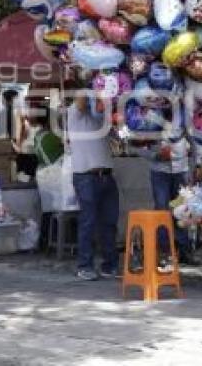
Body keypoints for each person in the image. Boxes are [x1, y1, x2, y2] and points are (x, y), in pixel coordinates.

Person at [67, 91, 117, 280]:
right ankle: (84, 265)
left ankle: (109, 264)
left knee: (109, 223)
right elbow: (80, 98)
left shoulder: (102, 116)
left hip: (106, 175)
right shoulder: (75, 112)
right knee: (88, 222)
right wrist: (95, 84)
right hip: (86, 176)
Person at [132, 137, 200, 269]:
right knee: (161, 211)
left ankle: (184, 250)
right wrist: (155, 155)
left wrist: (197, 164)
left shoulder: (183, 116)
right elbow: (134, 145)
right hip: (159, 172)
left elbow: (194, 139)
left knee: (183, 210)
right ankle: (164, 252)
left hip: (181, 171)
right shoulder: (150, 119)